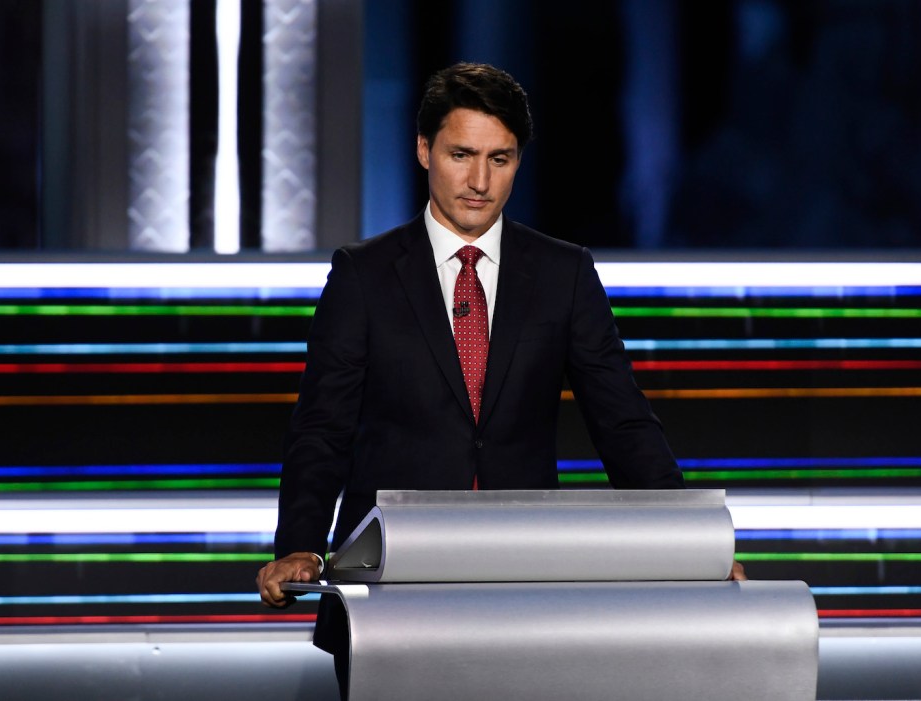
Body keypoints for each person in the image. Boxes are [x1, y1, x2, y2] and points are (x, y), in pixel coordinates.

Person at [257, 61, 741, 696]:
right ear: (425, 149)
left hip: (524, 583)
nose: (480, 181)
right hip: (391, 585)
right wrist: (300, 544)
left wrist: (691, 547)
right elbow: (322, 427)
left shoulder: (563, 274)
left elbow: (622, 423)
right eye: (462, 154)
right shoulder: (364, 275)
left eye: (501, 159)